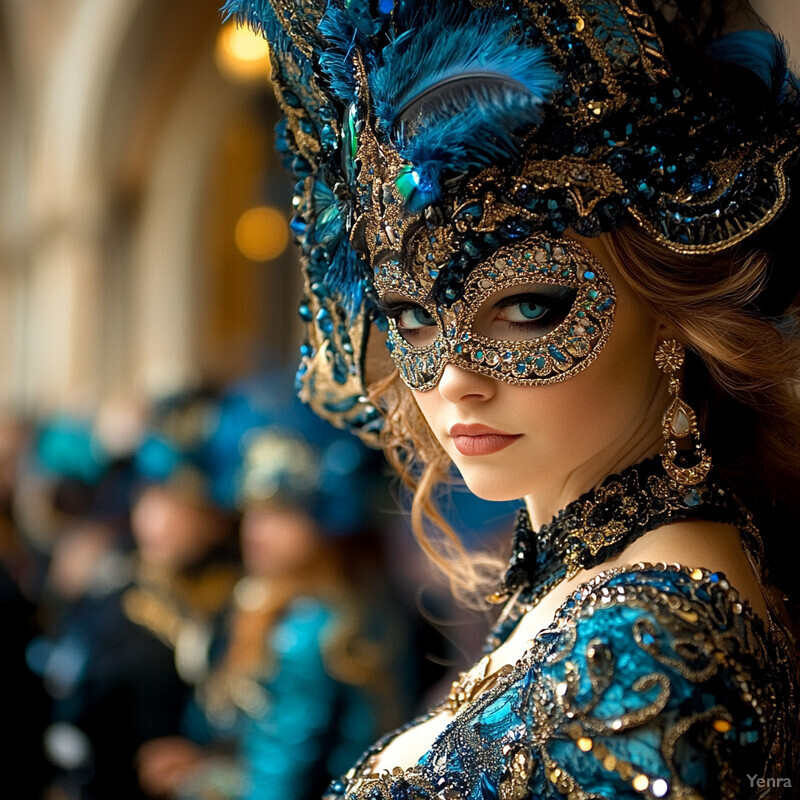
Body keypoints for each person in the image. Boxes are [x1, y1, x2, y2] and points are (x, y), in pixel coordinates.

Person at [224, 0, 800, 796]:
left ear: (671, 310)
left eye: (529, 304)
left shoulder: (650, 644)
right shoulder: (588, 580)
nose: (453, 378)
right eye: (414, 318)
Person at [136, 380, 409, 800]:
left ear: (327, 521)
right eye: (252, 511)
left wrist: (192, 782)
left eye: (282, 513)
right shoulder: (263, 600)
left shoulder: (311, 628)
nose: (256, 530)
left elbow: (277, 786)